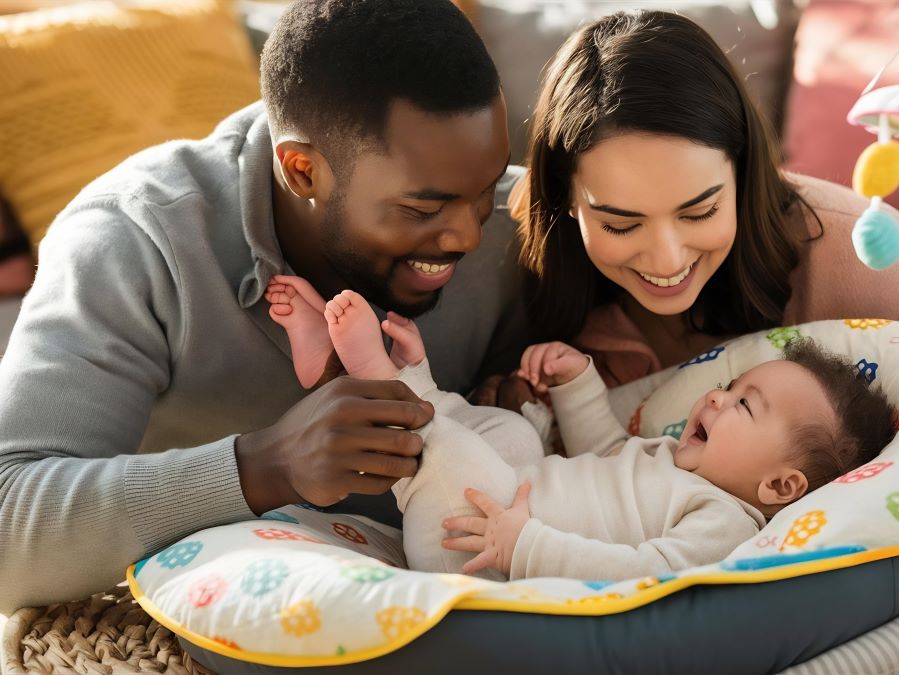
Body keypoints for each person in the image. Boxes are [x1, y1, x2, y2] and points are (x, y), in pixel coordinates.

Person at [481, 10, 899, 552]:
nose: (665, 256)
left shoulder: (849, 251)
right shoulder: (531, 258)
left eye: (700, 210)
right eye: (621, 223)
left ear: (743, 171)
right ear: (566, 202)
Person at [0, 0, 525, 614]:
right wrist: (264, 465)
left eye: (484, 191)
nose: (467, 235)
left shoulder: (520, 230)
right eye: (422, 210)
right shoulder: (136, 239)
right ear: (302, 172)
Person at [264, 276, 894, 580]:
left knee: (460, 455)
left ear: (782, 488)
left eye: (746, 408)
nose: (718, 401)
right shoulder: (673, 459)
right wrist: (578, 382)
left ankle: (372, 372)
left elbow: (646, 573)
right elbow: (608, 448)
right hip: (502, 494)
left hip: (484, 552)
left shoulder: (722, 522)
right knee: (510, 433)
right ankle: (405, 382)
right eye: (730, 390)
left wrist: (526, 545)